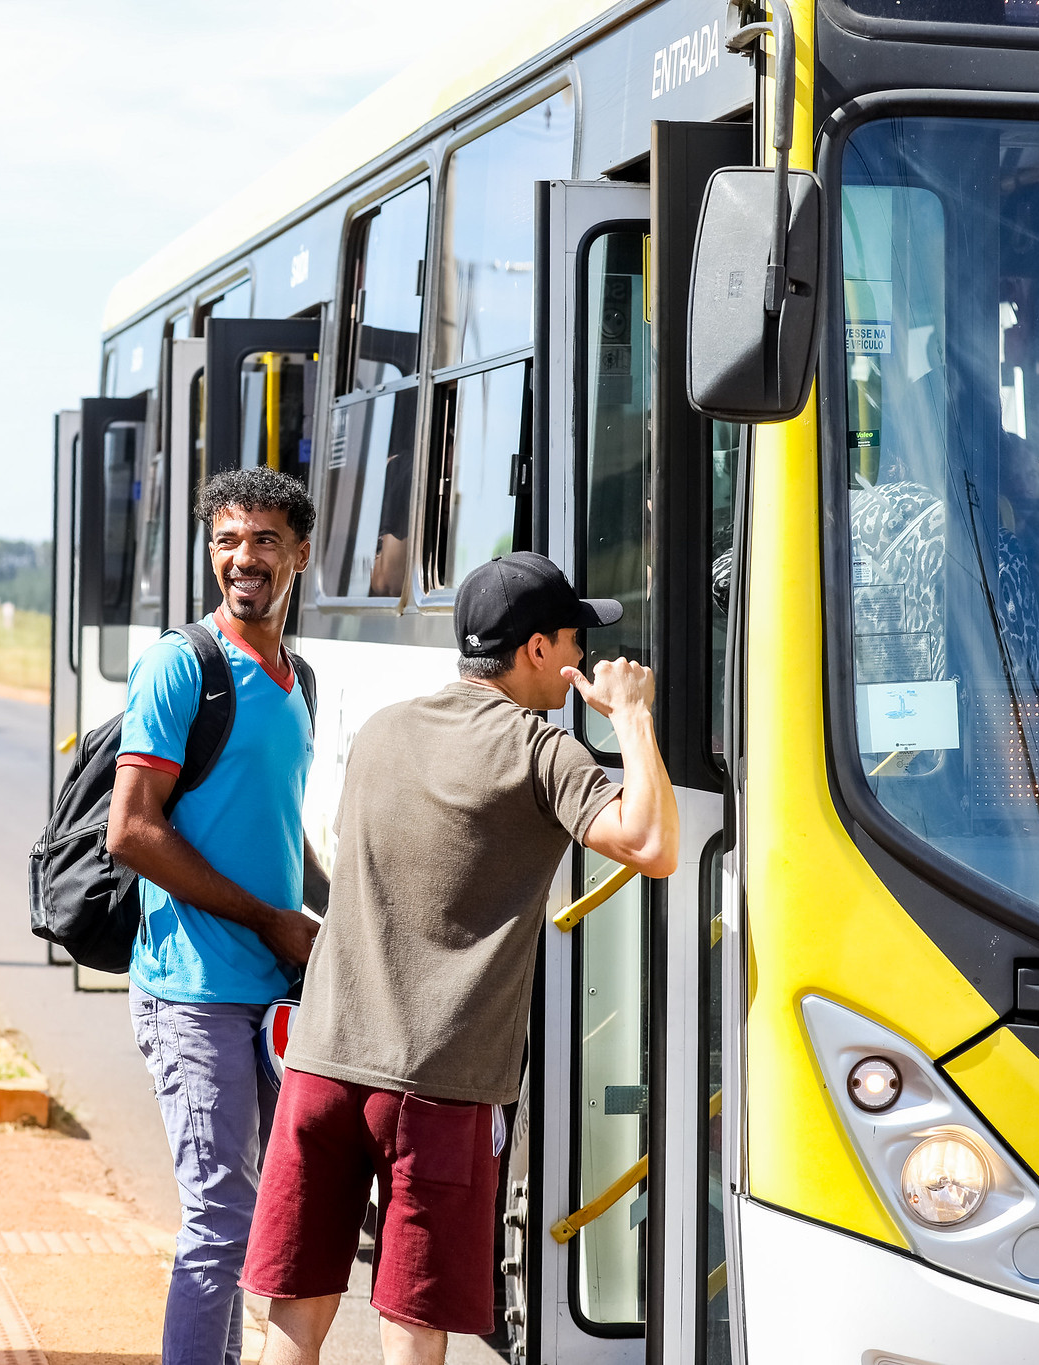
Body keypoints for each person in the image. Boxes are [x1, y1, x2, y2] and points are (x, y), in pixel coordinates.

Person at [240, 550, 680, 1365]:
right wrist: (633, 717)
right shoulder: (541, 751)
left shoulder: (382, 729)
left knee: (292, 1321)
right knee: (414, 1325)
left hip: (321, 1065)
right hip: (435, 1090)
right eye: (574, 638)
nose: (583, 656)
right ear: (536, 649)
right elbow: (653, 843)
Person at [106, 466, 328, 1365]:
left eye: (266, 540)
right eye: (229, 540)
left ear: (300, 555)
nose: (245, 557)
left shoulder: (297, 677)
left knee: (284, 1222)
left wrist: (333, 914)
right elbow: (132, 830)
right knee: (219, 1224)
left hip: (273, 994)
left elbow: (277, 831)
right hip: (192, 986)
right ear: (210, 552)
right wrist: (271, 921)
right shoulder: (181, 665)